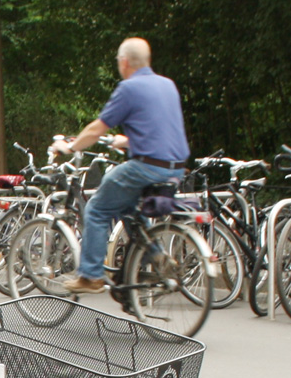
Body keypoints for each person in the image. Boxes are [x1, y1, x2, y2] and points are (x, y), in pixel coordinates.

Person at [52, 37, 190, 293]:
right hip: (176, 166)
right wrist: (127, 141)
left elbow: (96, 129)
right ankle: (157, 254)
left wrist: (70, 147)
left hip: (146, 167)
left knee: (97, 208)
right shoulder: (168, 85)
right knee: (126, 205)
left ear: (124, 62)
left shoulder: (129, 88)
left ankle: (91, 276)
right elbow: (161, 129)